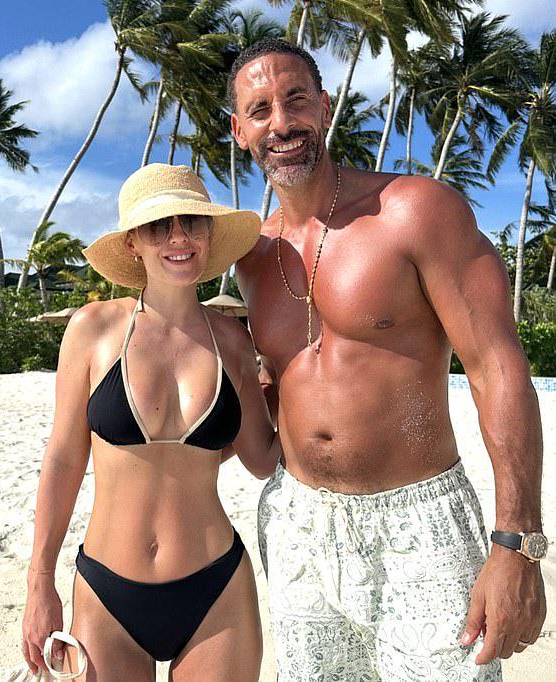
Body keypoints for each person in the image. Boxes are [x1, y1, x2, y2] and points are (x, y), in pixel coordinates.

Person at [229, 38, 547, 681]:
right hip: (296, 523)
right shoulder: (252, 257)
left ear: (325, 106)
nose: (281, 123)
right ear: (240, 132)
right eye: (260, 110)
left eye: (295, 100)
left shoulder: (414, 211)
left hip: (418, 524)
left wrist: (518, 543)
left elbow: (496, 367)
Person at [22, 163, 281, 681]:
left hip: (217, 593)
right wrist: (39, 581)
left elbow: (261, 459)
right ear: (133, 242)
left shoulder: (232, 340)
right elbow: (64, 458)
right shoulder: (93, 329)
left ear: (210, 235)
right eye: (159, 226)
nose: (178, 237)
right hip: (106, 593)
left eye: (192, 222)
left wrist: (291, 379)